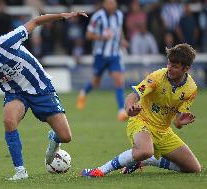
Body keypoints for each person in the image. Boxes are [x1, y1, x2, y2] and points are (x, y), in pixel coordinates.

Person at [0, 12, 88, 180]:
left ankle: (54, 140)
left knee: (65, 137)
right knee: (9, 121)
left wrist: (62, 15)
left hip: (41, 87)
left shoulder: (6, 43)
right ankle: (20, 171)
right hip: (15, 93)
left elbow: (36, 21)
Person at [81, 43, 201, 177]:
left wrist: (180, 122)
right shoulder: (157, 77)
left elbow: (177, 122)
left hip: (163, 131)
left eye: (175, 66)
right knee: (145, 150)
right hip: (141, 121)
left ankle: (146, 161)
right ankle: (99, 171)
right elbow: (133, 96)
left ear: (186, 68)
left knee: (194, 168)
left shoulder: (191, 89)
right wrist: (129, 109)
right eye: (169, 63)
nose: (169, 68)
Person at [76, 0, 128, 121]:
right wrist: (101, 37)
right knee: (95, 83)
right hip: (100, 55)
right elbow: (88, 35)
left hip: (115, 54)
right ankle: (83, 92)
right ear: (104, 4)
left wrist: (123, 40)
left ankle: (121, 111)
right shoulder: (98, 16)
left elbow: (119, 30)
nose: (111, 5)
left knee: (119, 81)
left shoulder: (119, 15)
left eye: (113, 2)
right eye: (109, 3)